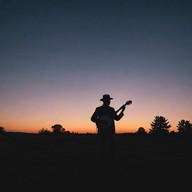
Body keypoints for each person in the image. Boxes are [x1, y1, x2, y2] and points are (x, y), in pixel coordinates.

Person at [91, 94, 126, 159]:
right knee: (107, 147)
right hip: (106, 131)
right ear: (105, 101)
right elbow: (92, 118)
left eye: (109, 100)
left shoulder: (108, 109)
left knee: (107, 147)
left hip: (107, 131)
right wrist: (101, 121)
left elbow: (116, 118)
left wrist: (122, 110)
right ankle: (106, 162)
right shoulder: (101, 109)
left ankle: (107, 161)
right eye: (108, 100)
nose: (110, 102)